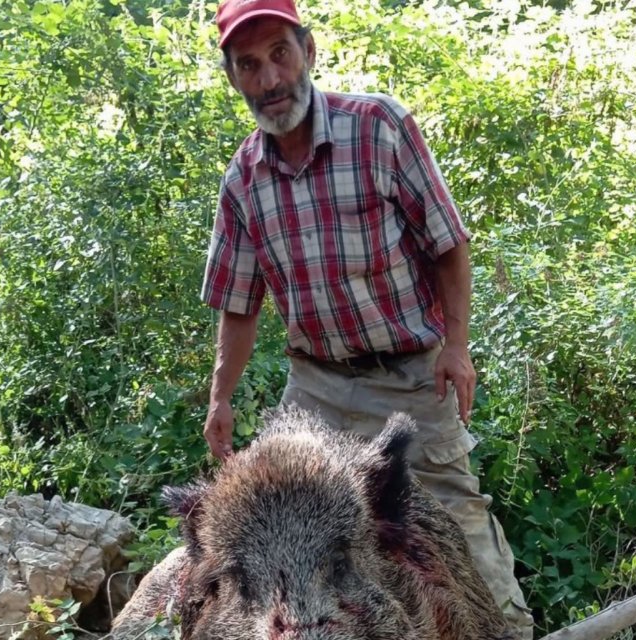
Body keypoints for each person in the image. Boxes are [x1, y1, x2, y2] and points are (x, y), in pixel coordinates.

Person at [198, 0, 535, 636]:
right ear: (233, 77)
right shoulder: (244, 177)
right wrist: (221, 399)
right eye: (249, 64)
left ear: (309, 51)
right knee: (278, 527)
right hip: (316, 385)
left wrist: (455, 346)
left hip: (410, 375)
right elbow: (240, 301)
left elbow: (448, 244)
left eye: (280, 55)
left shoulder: (377, 126)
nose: (270, 79)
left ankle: (511, 629)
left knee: (455, 523)